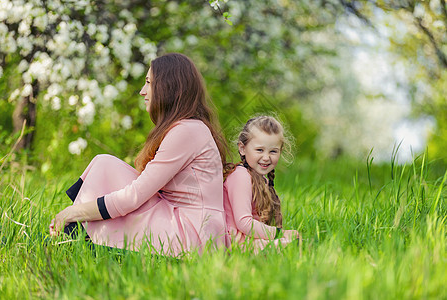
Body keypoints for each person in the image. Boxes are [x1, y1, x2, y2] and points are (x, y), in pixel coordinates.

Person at [50, 53, 229, 256]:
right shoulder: (188, 128)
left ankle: (78, 237)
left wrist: (73, 212)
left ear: (168, 87)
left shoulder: (187, 131)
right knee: (104, 163)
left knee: (106, 168)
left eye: (149, 83)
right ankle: (79, 238)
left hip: (193, 237)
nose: (143, 91)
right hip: (190, 228)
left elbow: (134, 196)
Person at [223, 115, 299, 252]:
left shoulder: (259, 178)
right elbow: (244, 223)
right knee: (292, 244)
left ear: (280, 151)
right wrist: (278, 233)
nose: (266, 157)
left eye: (273, 151)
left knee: (298, 241)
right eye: (259, 150)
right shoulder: (240, 176)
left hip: (249, 240)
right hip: (236, 244)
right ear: (242, 148)